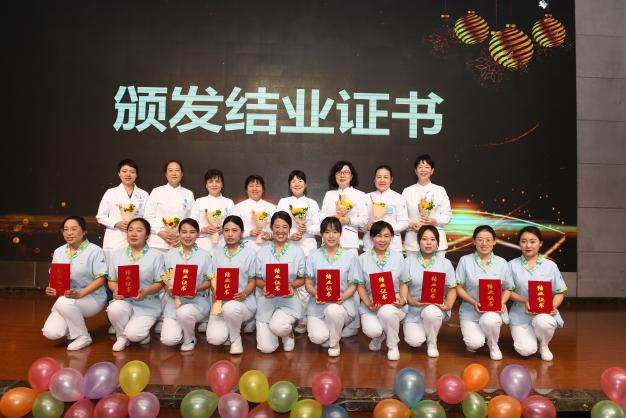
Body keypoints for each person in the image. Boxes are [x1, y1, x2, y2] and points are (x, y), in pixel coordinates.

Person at [42, 216, 108, 351]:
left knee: (63, 302)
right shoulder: (59, 251)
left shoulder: (95, 250)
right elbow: (55, 276)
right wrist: (51, 288)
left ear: (84, 231)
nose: (69, 233)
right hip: (68, 298)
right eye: (65, 230)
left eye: (73, 229)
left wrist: (80, 294)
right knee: (51, 332)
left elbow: (101, 278)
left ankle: (83, 336)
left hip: (92, 297)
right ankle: (74, 329)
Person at [508, 226, 567, 361]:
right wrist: (525, 301)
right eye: (524, 241)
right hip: (520, 313)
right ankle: (531, 340)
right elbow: (507, 292)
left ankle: (544, 345)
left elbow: (559, 292)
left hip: (543, 312)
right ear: (519, 243)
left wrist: (552, 306)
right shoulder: (511, 265)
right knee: (526, 350)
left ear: (540, 243)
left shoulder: (550, 266)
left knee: (543, 322)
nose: (528, 245)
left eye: (532, 241)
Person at [107, 218, 166, 351]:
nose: (133, 234)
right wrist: (116, 290)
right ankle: (121, 337)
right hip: (124, 300)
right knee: (114, 309)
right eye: (130, 230)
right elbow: (111, 280)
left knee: (134, 335)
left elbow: (160, 282)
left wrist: (145, 291)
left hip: (147, 303)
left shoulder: (156, 255)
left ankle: (138, 334)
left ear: (147, 235)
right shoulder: (117, 254)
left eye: (139, 230)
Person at [455, 225, 513, 360]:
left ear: (494, 241)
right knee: (474, 344)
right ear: (474, 241)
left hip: (493, 310)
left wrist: (501, 302)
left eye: (488, 240)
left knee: (490, 320)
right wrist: (473, 302)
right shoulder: (465, 261)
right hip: (470, 309)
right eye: (480, 239)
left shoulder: (502, 263)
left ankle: (493, 345)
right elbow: (458, 287)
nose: (484, 243)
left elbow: (508, 288)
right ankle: (478, 338)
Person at [304, 217, 358, 357]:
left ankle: (334, 342)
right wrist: (316, 293)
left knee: (333, 311)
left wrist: (343, 297)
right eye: (327, 232)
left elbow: (353, 284)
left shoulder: (350, 257)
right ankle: (331, 332)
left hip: (341, 305)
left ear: (340, 234)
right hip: (318, 304)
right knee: (318, 338)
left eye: (335, 232)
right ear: (321, 234)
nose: (331, 236)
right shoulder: (313, 256)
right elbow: (308, 283)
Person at [357, 221, 410, 361]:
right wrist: (368, 304)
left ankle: (393, 346)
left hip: (393, 304)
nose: (382, 240)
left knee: (386, 311)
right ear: (371, 237)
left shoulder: (398, 257)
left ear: (392, 238)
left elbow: (404, 282)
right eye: (378, 236)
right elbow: (360, 285)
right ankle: (379, 336)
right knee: (372, 330)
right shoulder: (362, 259)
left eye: (386, 236)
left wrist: (403, 299)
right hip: (372, 304)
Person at [255, 211, 306, 353]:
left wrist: (291, 285)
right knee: (266, 348)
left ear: (290, 228)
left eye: (284, 227)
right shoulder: (262, 251)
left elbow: (302, 278)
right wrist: (265, 286)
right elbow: (257, 279)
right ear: (271, 228)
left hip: (288, 300)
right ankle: (275, 330)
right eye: (277, 227)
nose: (280, 231)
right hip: (267, 300)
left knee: (278, 326)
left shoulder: (297, 252)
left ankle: (287, 334)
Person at [277, 170, 320, 334]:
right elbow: (277, 224)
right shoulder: (283, 202)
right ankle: (289, 316)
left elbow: (318, 227)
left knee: (306, 284)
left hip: (308, 246)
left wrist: (306, 228)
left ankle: (302, 319)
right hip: (288, 246)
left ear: (306, 184)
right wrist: (290, 235)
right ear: (289, 185)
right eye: (293, 181)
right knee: (289, 282)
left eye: (300, 180)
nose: (297, 184)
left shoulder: (312, 203)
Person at [160, 219, 213, 351]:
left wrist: (197, 288)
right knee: (168, 340)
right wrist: (169, 290)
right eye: (184, 232)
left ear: (198, 234)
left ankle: (190, 338)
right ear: (179, 233)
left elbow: (209, 280)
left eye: (192, 232)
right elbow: (165, 279)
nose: (188, 236)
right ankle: (182, 329)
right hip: (174, 302)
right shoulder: (169, 255)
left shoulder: (205, 255)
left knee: (184, 313)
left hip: (197, 301)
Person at [403, 225, 457, 358]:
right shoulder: (407, 262)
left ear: (437, 243)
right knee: (415, 341)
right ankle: (424, 329)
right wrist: (411, 301)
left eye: (432, 239)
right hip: (413, 308)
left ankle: (432, 343)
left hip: (435, 307)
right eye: (424, 239)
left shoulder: (445, 263)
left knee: (431, 312)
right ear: (418, 242)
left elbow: (452, 289)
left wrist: (448, 305)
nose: (428, 243)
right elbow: (403, 286)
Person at [206, 215, 257, 354]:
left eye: (234, 230)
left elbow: (253, 280)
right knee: (214, 339)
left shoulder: (250, 254)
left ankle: (235, 339)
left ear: (242, 232)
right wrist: (214, 290)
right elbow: (212, 278)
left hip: (242, 303)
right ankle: (230, 329)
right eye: (226, 230)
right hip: (220, 303)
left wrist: (244, 293)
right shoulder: (216, 254)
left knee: (231, 308)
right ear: (222, 231)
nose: (230, 234)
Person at [96, 159, 149, 262]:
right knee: (113, 269)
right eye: (124, 171)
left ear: (137, 175)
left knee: (135, 268)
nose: (128, 174)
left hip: (137, 238)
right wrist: (116, 224)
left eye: (132, 172)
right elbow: (100, 216)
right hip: (115, 238)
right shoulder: (111, 193)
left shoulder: (144, 194)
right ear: (119, 173)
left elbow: (147, 217)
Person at [402, 154, 452, 256]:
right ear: (415, 171)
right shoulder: (407, 191)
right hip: (413, 243)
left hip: (437, 242)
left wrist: (435, 221)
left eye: (427, 167)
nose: (423, 170)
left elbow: (447, 215)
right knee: (412, 267)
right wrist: (412, 224)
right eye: (420, 167)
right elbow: (401, 217)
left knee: (437, 267)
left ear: (432, 171)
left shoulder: (440, 190)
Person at [144, 160, 195, 252]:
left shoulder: (188, 194)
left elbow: (192, 218)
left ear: (182, 174)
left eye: (177, 170)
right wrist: (160, 232)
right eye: (170, 170)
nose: (174, 173)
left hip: (180, 242)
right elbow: (148, 216)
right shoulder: (156, 191)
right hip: (157, 242)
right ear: (166, 174)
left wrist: (182, 235)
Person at [320, 161, 368, 254]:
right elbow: (322, 217)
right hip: (329, 242)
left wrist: (348, 220)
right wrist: (333, 218)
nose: (342, 175)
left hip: (349, 243)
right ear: (335, 176)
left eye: (346, 172)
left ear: (351, 176)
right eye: (339, 172)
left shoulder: (360, 195)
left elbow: (364, 219)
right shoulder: (329, 194)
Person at [364, 165, 409, 253]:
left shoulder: (399, 198)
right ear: (374, 179)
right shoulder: (366, 197)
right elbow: (361, 222)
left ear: (391, 180)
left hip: (393, 246)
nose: (382, 180)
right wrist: (366, 226)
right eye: (379, 177)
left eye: (385, 177)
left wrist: (388, 229)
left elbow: (405, 222)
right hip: (370, 245)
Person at [190, 169, 235, 253]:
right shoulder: (199, 201)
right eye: (210, 182)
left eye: (217, 181)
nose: (214, 185)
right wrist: (204, 229)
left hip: (223, 243)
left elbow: (234, 224)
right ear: (206, 185)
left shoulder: (229, 202)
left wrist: (224, 229)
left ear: (222, 184)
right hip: (203, 245)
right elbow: (191, 224)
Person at [231, 175, 276, 251]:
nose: (254, 189)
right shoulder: (238, 207)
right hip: (245, 247)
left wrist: (270, 234)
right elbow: (232, 230)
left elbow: (278, 229)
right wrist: (249, 233)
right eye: (251, 186)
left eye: (258, 186)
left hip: (267, 247)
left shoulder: (271, 207)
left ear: (263, 189)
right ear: (246, 189)